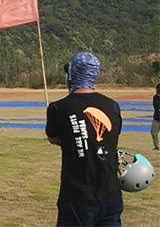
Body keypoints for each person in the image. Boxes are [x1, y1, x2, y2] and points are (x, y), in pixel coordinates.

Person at [45, 52, 123, 227]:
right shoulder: (112, 106)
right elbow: (111, 138)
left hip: (76, 196)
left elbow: (53, 138)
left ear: (71, 74)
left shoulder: (58, 108)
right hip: (110, 192)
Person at [151, 83, 160, 151]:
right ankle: (156, 146)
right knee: (153, 132)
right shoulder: (155, 97)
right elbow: (156, 107)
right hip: (156, 118)